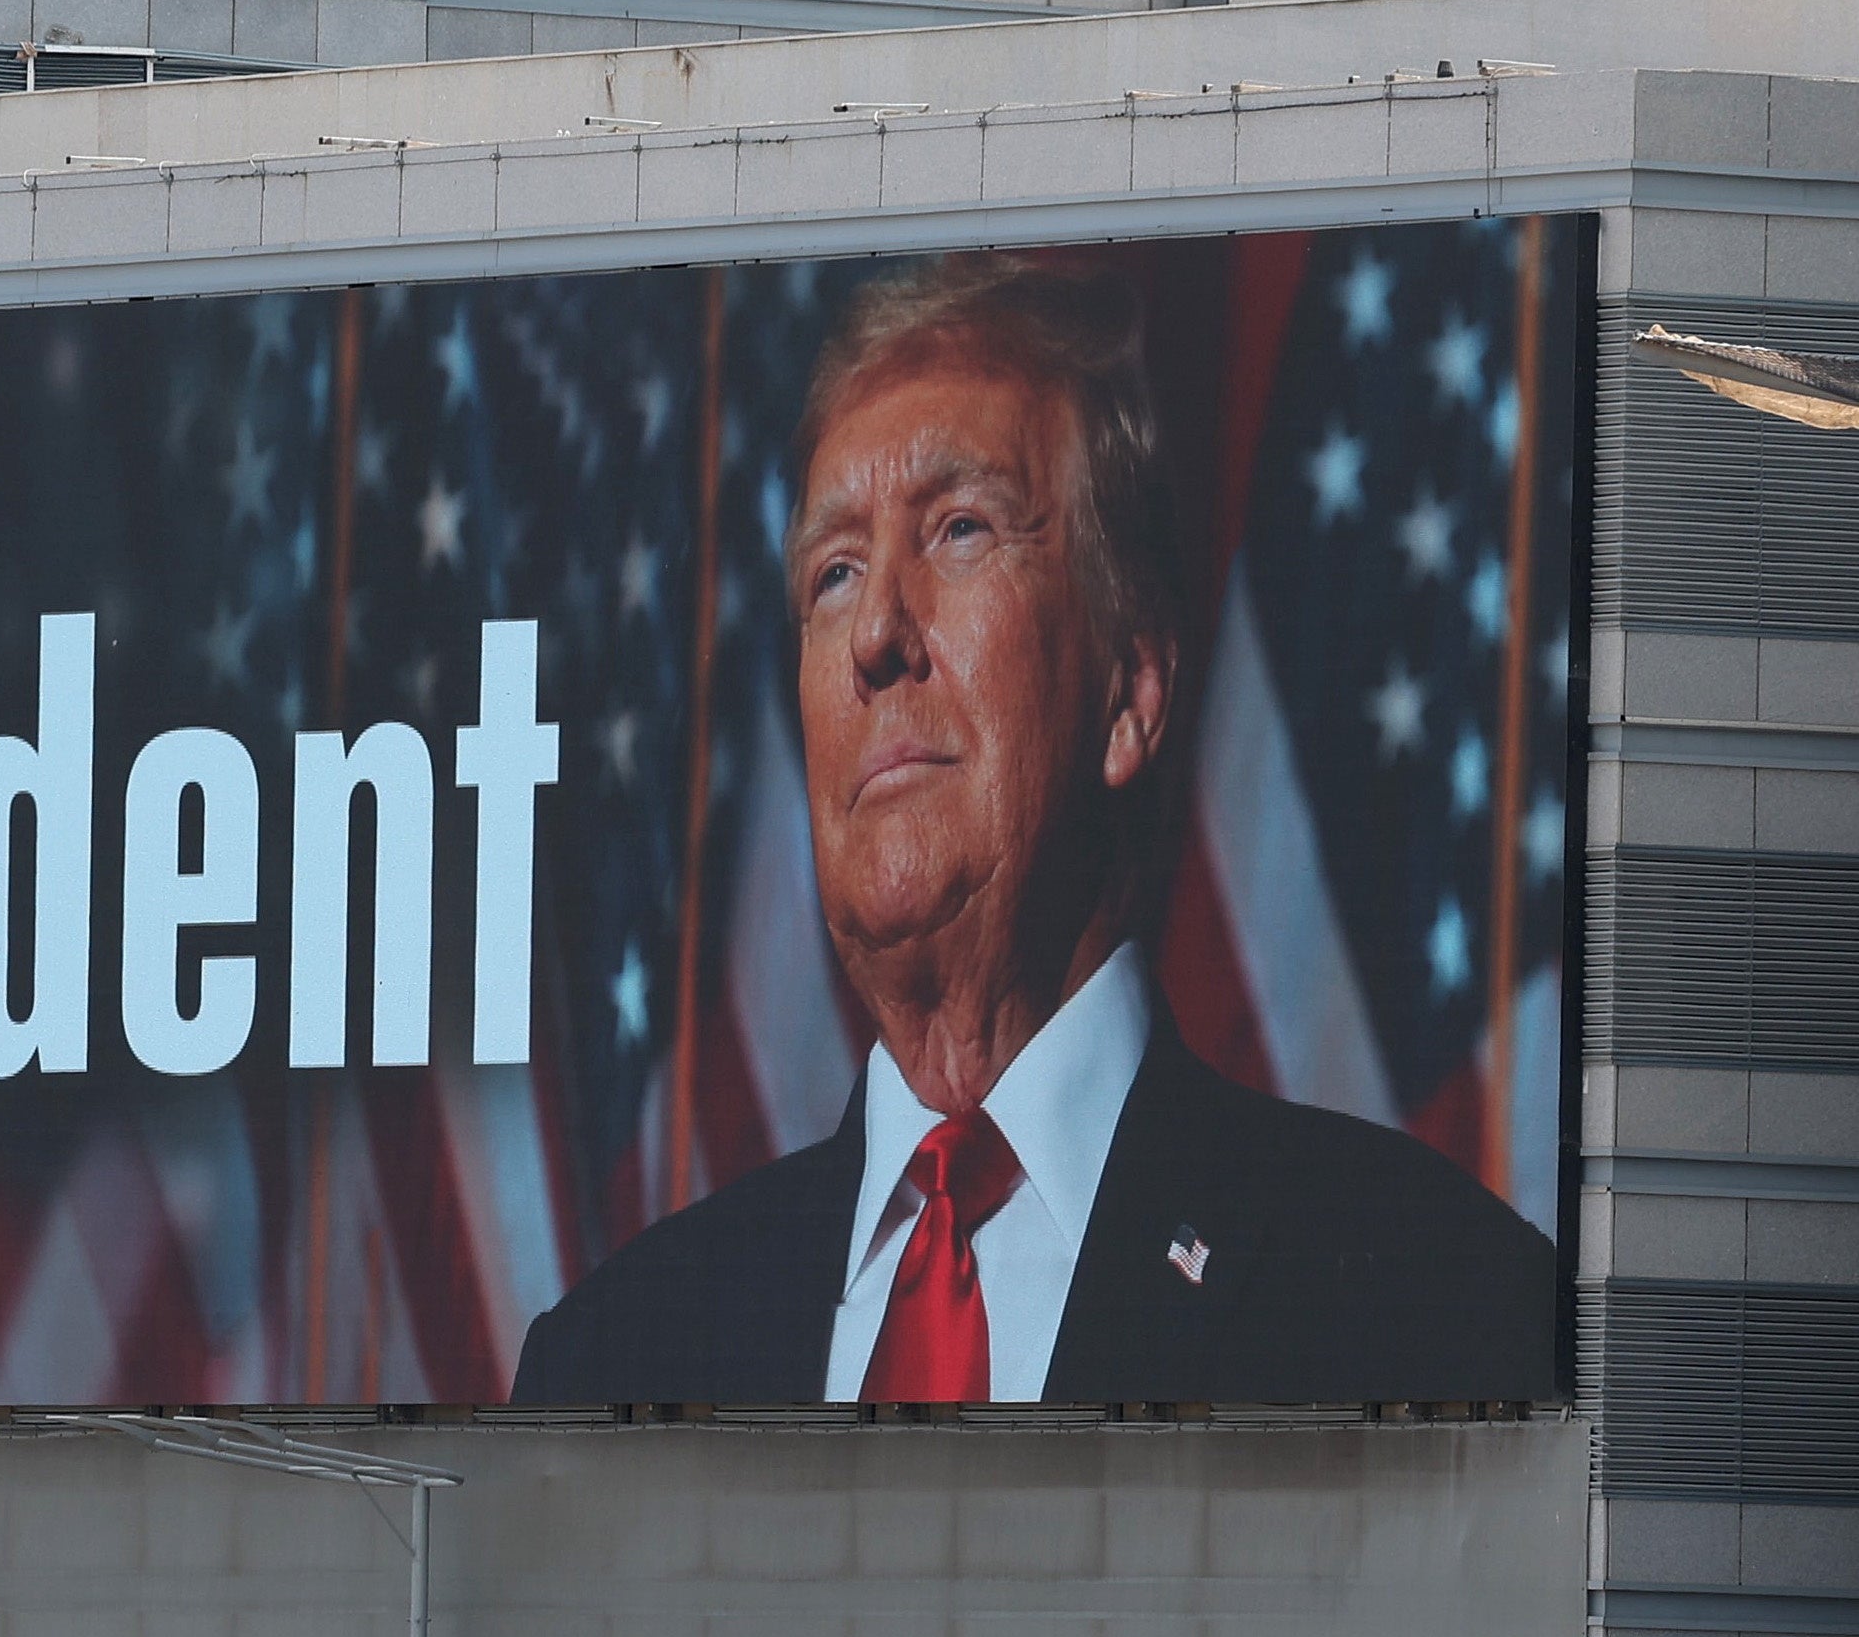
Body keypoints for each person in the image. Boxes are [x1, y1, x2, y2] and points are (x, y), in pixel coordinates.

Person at [512, 253, 1555, 1406]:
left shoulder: (1419, 1299)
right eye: (836, 571)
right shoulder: (610, 1362)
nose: (876, 636)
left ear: (1131, 695)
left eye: (959, 530)